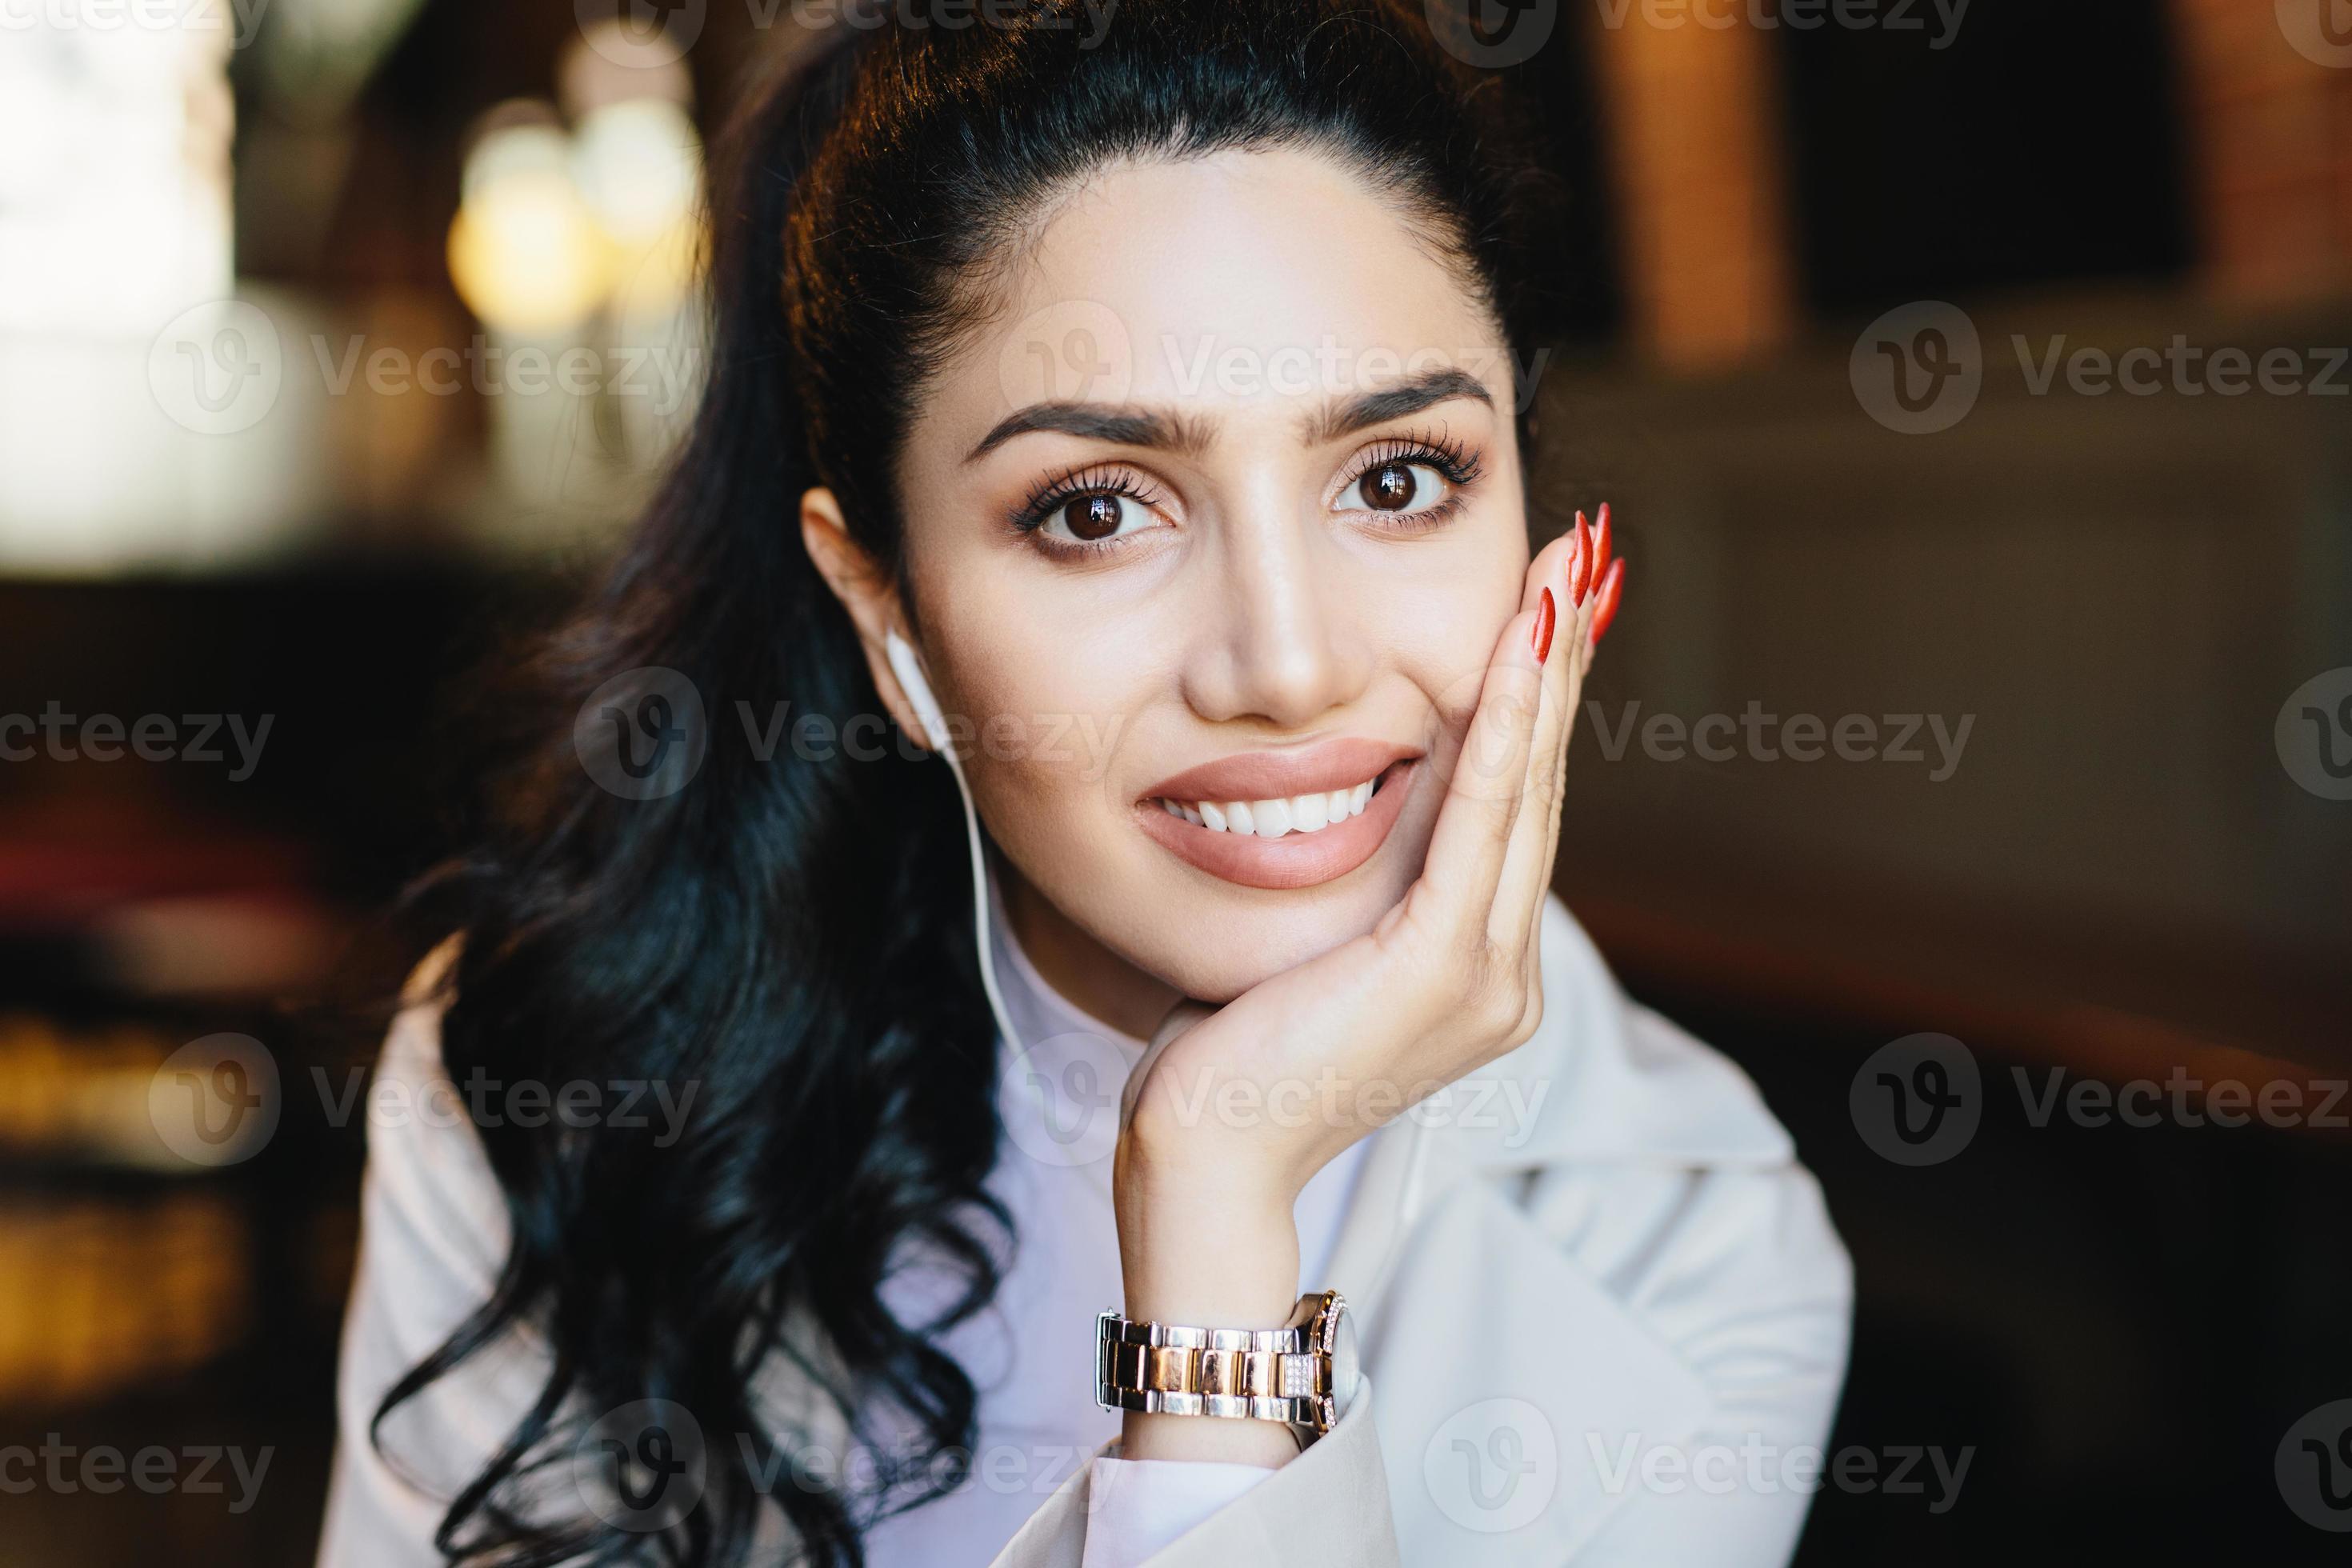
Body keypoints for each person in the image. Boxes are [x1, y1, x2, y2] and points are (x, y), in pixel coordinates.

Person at [320, 3, 1851, 1563]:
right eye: (1099, 508)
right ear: (884, 607)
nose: (1287, 661)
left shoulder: (1684, 1231)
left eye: (1397, 477)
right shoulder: (547, 1068)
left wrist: (1220, 1206)